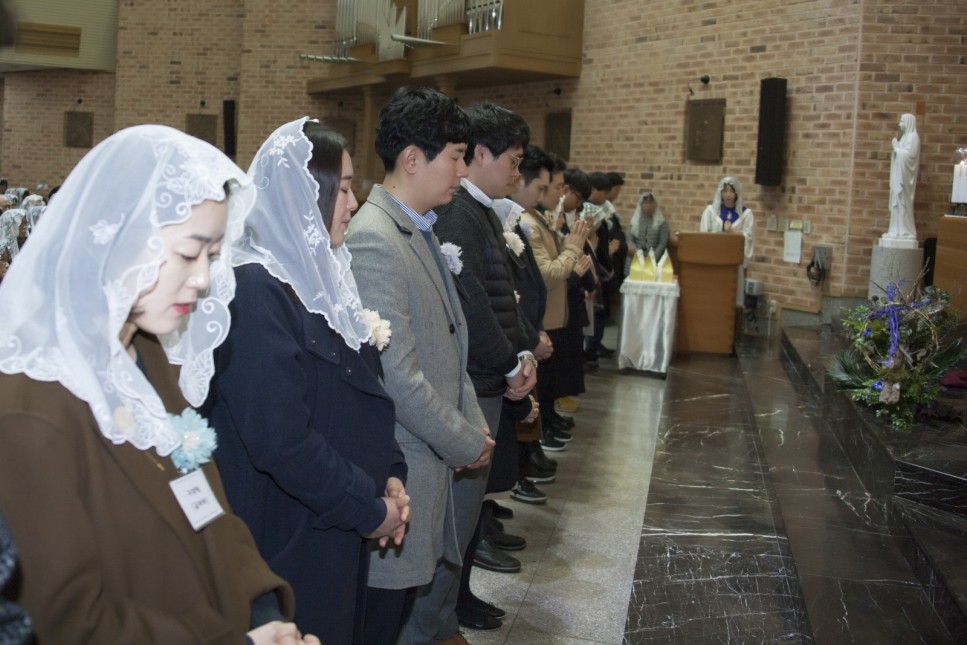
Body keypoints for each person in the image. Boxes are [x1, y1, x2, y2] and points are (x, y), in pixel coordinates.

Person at [0, 125, 316, 644]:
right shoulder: (32, 407)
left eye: (213, 256)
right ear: (122, 242)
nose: (203, 279)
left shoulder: (145, 353)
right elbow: (67, 622)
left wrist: (263, 615)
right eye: (189, 253)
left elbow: (207, 504)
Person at [204, 118, 409, 645]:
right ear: (305, 193)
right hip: (289, 534)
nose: (354, 204)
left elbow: (364, 391)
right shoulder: (257, 290)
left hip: (335, 518)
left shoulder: (323, 279)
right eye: (343, 189)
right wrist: (367, 509)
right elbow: (281, 438)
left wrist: (390, 474)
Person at [345, 86, 495, 645]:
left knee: (403, 612)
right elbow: (397, 376)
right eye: (455, 157)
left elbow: (451, 346)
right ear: (413, 159)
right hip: (404, 468)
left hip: (428, 460)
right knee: (383, 621)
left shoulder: (418, 226)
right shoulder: (375, 239)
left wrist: (473, 422)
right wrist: (464, 440)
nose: (463, 171)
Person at [699, 175, 755, 305]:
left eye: (731, 191)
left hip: (733, 264)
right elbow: (703, 236)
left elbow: (748, 238)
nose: (728, 195)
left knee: (730, 299)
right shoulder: (711, 212)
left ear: (737, 193)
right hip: (713, 262)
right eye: (725, 191)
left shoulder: (746, 214)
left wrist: (732, 232)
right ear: (720, 192)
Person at [885, 113, 920, 241]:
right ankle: (895, 230)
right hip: (898, 175)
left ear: (909, 122)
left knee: (903, 203)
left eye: (902, 121)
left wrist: (896, 147)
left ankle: (905, 231)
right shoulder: (905, 136)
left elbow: (910, 157)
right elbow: (901, 153)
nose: (900, 123)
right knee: (897, 204)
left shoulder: (914, 137)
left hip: (905, 179)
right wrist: (897, 147)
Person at [627, 189, 670, 270]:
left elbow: (662, 243)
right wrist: (637, 253)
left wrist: (652, 258)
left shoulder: (661, 222)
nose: (648, 205)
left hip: (654, 259)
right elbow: (629, 239)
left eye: (651, 202)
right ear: (641, 205)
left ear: (655, 204)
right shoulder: (635, 221)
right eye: (646, 203)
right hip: (635, 258)